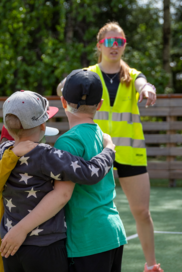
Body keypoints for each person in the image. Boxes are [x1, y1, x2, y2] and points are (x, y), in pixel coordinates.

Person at [0, 91, 117, 272]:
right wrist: (109, 150)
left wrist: (11, 152)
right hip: (45, 247)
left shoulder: (2, 152)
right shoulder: (46, 155)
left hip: (9, 246)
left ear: (8, 127)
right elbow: (90, 172)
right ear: (43, 125)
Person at [81, 22, 162, 271]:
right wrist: (65, 86)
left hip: (130, 153)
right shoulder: (88, 75)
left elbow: (143, 84)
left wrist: (147, 89)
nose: (114, 46)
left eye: (119, 42)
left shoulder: (134, 75)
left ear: (124, 45)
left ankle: (151, 266)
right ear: (99, 45)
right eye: (109, 41)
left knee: (142, 212)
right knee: (91, 211)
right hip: (96, 152)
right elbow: (66, 86)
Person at [55, 70, 128, 271]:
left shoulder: (66, 142)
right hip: (113, 232)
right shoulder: (101, 135)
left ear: (63, 102)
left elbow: (62, 195)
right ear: (100, 104)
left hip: (88, 239)